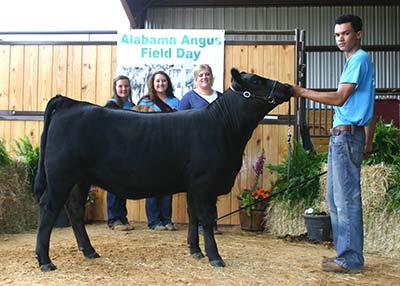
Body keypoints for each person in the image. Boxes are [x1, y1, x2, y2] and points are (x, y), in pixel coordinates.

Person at [293, 14, 376, 273]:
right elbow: (369, 105)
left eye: (346, 33)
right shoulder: (355, 62)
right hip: (345, 136)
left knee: (346, 199)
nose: (341, 38)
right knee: (334, 197)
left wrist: (300, 91)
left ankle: (350, 259)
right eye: (338, 34)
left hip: (346, 136)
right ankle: (344, 255)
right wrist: (368, 140)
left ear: (358, 34)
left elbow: (340, 98)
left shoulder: (359, 59)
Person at [179, 64, 222, 234]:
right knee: (198, 187)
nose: (204, 78)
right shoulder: (189, 98)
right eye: (201, 75)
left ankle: (211, 222)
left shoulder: (220, 96)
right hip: (194, 150)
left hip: (217, 149)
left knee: (212, 186)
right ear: (196, 79)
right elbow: (179, 123)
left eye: (207, 74)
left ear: (212, 77)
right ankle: (198, 224)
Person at [137, 70, 180, 231]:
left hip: (171, 147)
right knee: (152, 182)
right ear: (152, 84)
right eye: (157, 81)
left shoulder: (176, 102)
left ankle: (167, 219)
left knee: (168, 184)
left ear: (167, 83)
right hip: (150, 147)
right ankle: (154, 220)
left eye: (163, 81)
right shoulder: (145, 102)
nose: (160, 84)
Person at [105, 75, 135, 231]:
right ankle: (113, 219)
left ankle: (123, 217)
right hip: (113, 150)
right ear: (115, 88)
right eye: (120, 86)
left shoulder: (133, 106)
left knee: (124, 184)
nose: (123, 89)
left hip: (129, 151)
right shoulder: (110, 106)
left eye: (126, 86)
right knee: (113, 184)